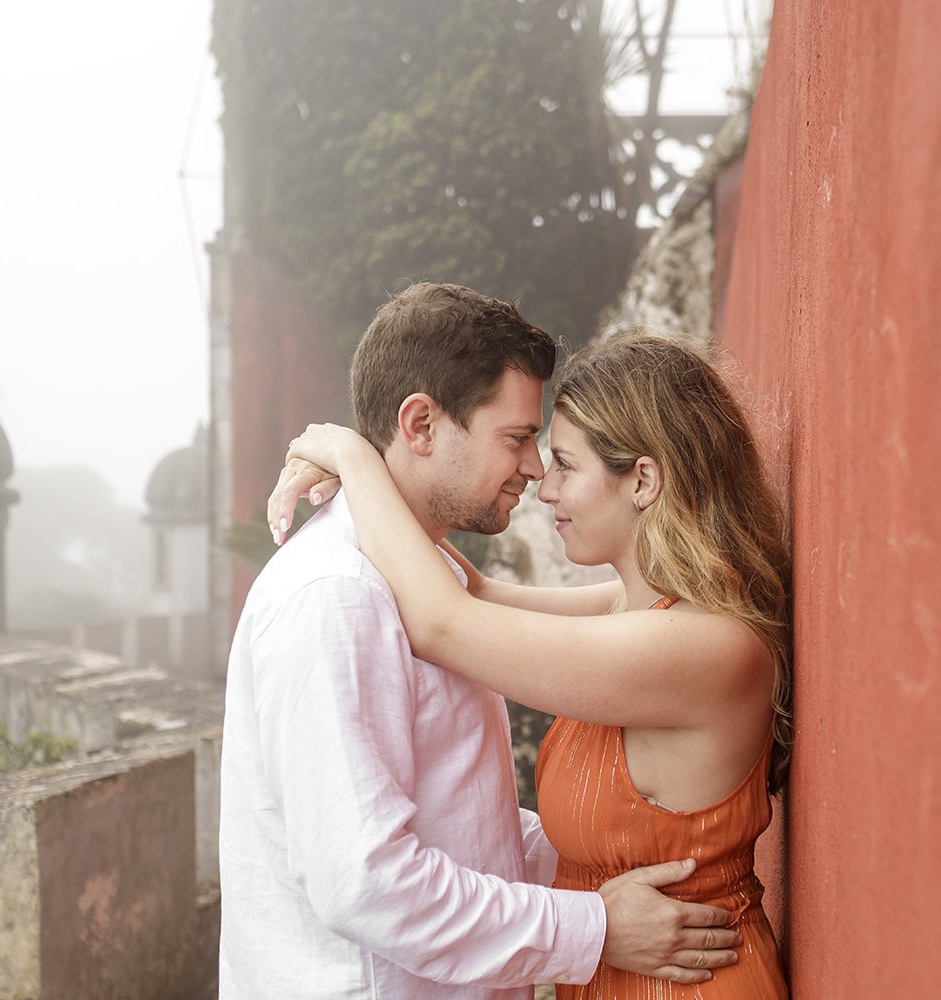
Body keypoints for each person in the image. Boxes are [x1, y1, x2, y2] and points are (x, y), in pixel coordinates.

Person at [220, 284, 743, 1000]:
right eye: (519, 438)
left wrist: (595, 876)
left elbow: (460, 816)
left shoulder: (424, 574)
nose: (533, 472)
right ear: (422, 424)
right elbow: (364, 881)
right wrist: (589, 926)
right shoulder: (336, 598)